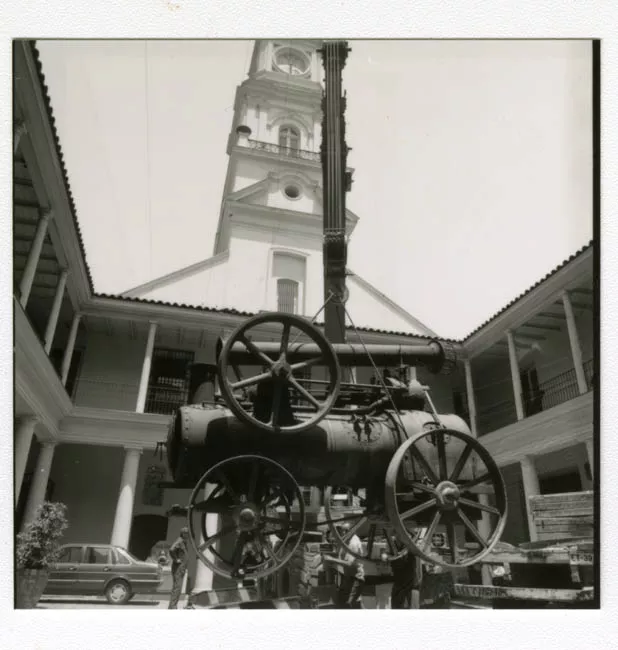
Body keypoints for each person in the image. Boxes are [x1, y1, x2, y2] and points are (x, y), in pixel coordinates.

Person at [323, 522, 365, 609]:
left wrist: (331, 559)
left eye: (342, 531)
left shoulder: (353, 543)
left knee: (349, 604)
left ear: (349, 531)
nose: (340, 533)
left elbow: (349, 563)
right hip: (348, 577)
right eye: (340, 530)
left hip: (355, 578)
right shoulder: (347, 539)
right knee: (342, 602)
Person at [168, 527, 189, 609]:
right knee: (177, 588)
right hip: (178, 568)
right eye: (185, 533)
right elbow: (171, 549)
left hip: (181, 568)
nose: (187, 534)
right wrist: (176, 559)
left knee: (178, 588)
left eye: (187, 533)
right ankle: (173, 606)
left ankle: (172, 606)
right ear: (182, 533)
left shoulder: (183, 542)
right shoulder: (180, 541)